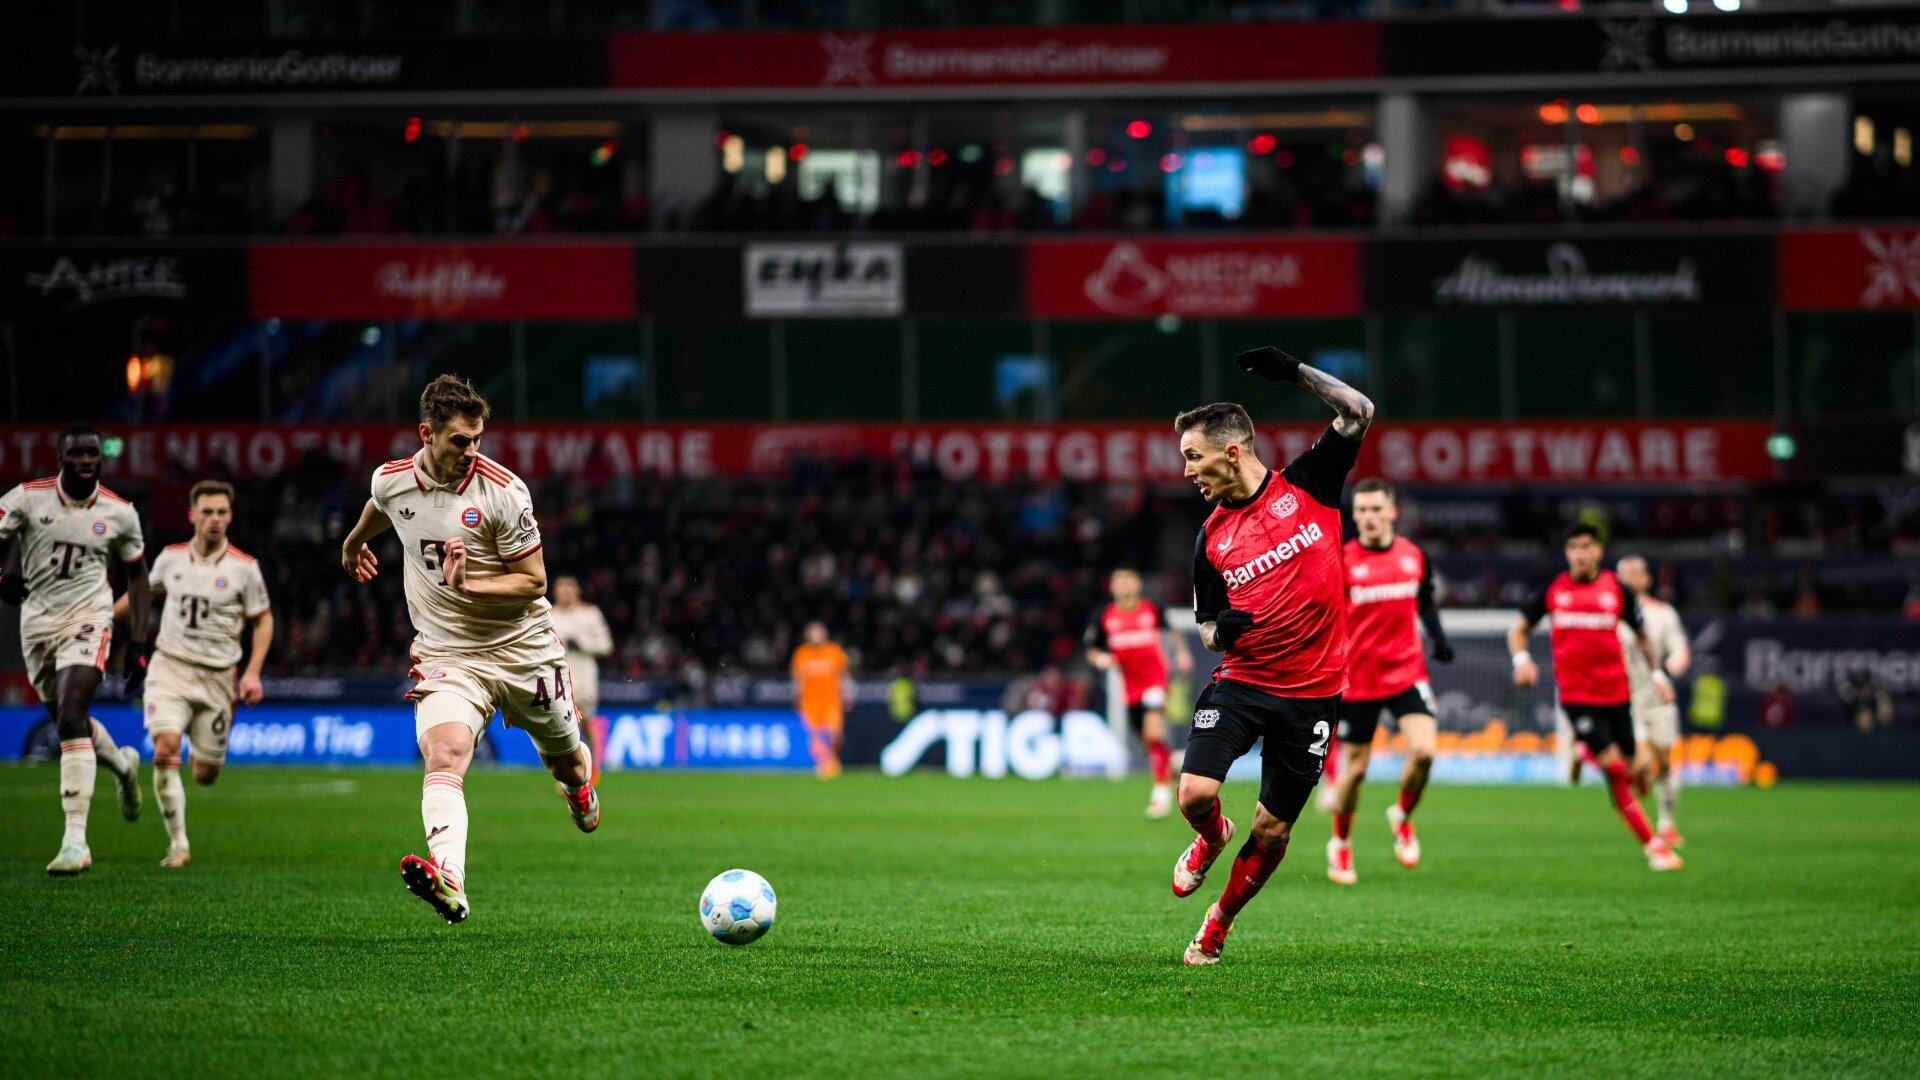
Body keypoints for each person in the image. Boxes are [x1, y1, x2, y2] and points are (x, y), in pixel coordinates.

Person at [340, 375, 597, 925]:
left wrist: (469, 586)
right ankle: (451, 879)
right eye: (460, 440)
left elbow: (534, 582)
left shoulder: (503, 491)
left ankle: (578, 791)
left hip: (523, 648)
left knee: (567, 761)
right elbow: (382, 506)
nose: (472, 451)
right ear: (426, 434)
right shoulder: (392, 480)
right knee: (446, 753)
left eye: (478, 439)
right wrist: (354, 541)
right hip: (448, 651)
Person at [1170, 346, 1373, 966]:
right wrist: (1221, 632)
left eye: (1194, 456)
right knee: (1194, 794)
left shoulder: (1309, 484)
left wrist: (1295, 372)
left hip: (1313, 694)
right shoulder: (1210, 536)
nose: (1187, 470)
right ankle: (1212, 838)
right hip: (1243, 682)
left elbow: (1359, 411)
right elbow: (1207, 627)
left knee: (1273, 828)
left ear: (1232, 452)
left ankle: (1218, 924)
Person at [0, 424, 149, 876]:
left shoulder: (120, 512)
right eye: (77, 453)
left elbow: (138, 576)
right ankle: (123, 766)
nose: (86, 461)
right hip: (37, 626)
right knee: (71, 721)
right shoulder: (27, 498)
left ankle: (75, 841)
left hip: (89, 619)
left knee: (69, 716)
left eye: (93, 454)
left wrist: (138, 643)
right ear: (60, 458)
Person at [115, 480, 273, 867]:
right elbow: (141, 593)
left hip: (218, 678)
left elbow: (263, 620)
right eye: (207, 512)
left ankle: (159, 763)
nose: (214, 519)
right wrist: (102, 618)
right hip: (170, 667)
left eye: (221, 512)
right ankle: (178, 844)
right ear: (192, 515)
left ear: (230, 517)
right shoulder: (171, 559)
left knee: (205, 773)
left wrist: (252, 673)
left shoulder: (245, 568)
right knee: (166, 747)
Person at [1510, 524, 1683, 873]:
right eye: (1572, 547)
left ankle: (1584, 751)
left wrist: (1657, 675)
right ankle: (1654, 847)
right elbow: (1519, 629)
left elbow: (1643, 637)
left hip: (1617, 693)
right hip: (1577, 696)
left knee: (1638, 771)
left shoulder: (1616, 591)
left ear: (1598, 551)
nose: (1579, 554)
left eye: (1585, 546)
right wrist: (1522, 659)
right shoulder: (1554, 590)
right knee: (1615, 771)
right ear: (1566, 552)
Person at [1326, 478, 1453, 885]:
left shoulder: (1413, 555)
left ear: (1392, 512)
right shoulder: (1342, 560)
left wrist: (1438, 638)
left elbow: (1425, 599)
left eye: (1376, 509)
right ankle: (1340, 843)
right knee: (1356, 770)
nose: (1369, 517)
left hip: (1405, 672)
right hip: (1358, 678)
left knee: (1425, 751)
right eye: (1362, 510)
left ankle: (1401, 816)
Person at [1084, 567, 1193, 819]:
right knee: (1148, 740)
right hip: (1130, 687)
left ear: (1137, 584)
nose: (1124, 585)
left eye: (1128, 580)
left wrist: (1182, 654)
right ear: (1112, 587)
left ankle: (1160, 796)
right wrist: (1100, 659)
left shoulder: (1151, 609)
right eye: (1119, 581)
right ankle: (1173, 763)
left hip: (1155, 680)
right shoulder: (1105, 616)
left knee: (1153, 733)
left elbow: (1173, 631)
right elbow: (1091, 649)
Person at [1615, 555, 1690, 849]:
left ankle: (1667, 824)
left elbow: (1680, 650)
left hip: (1658, 697)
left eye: (1634, 572)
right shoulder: (1608, 613)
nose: (1628, 578)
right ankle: (1640, 776)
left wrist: (1669, 670)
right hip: (1624, 697)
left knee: (1665, 762)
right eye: (1623, 573)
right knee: (1642, 758)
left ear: (1647, 579)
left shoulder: (1663, 613)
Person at [549, 575, 613, 784]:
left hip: (584, 679)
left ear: (577, 591)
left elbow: (606, 645)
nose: (565, 593)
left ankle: (593, 769)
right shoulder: (549, 614)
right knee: (561, 727)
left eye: (569, 588)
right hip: (556, 679)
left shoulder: (590, 614)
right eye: (561, 589)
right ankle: (569, 774)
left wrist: (582, 643)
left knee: (585, 724)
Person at [791, 621, 852, 778]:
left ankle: (832, 757)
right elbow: (797, 678)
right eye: (813, 633)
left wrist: (848, 694)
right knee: (815, 734)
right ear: (807, 635)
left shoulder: (834, 651)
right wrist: (797, 697)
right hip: (810, 701)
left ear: (824, 634)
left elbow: (844, 675)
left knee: (836, 734)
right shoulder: (801, 653)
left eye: (818, 632)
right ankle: (823, 763)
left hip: (831, 700)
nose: (816, 636)